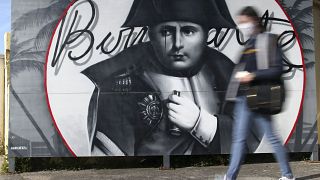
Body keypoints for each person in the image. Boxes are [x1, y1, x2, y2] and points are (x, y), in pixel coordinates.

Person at [82, 0, 260, 156]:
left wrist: (201, 123)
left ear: (206, 35)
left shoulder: (226, 73)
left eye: (188, 31)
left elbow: (250, 137)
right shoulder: (119, 86)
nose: (177, 44)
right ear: (150, 34)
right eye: (167, 31)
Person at [224, 6, 295, 180]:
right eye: (240, 23)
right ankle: (230, 177)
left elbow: (277, 69)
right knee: (239, 139)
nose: (242, 26)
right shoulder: (248, 44)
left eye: (244, 22)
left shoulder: (268, 41)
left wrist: (253, 75)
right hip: (243, 98)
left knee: (270, 137)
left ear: (254, 20)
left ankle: (287, 175)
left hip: (260, 98)